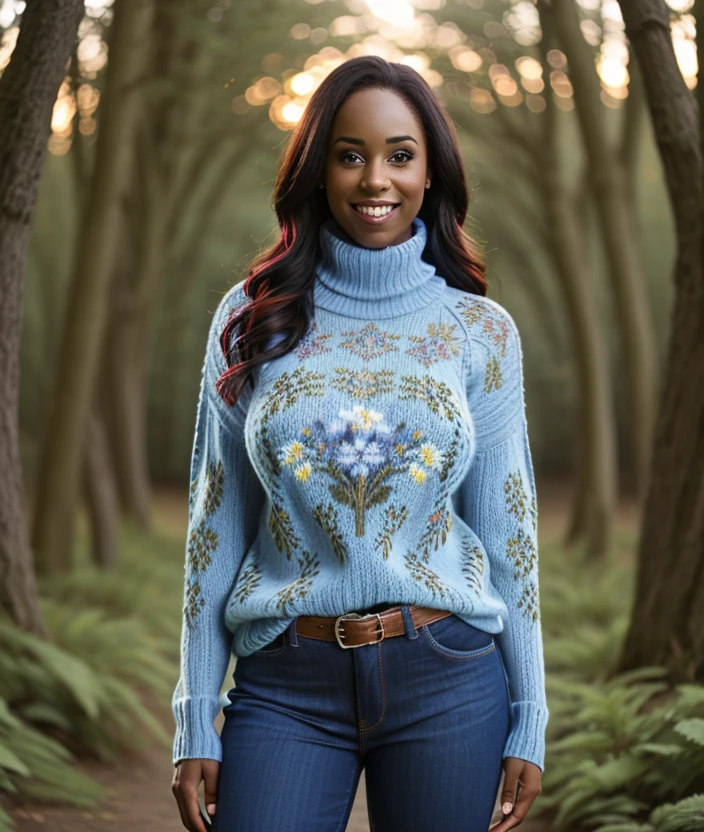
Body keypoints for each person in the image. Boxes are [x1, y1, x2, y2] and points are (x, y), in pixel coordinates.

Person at [171, 55, 548, 832]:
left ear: (431, 172)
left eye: (400, 155)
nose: (376, 178)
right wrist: (193, 712)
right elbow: (214, 530)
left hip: (450, 677)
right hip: (286, 683)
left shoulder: (480, 333)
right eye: (350, 154)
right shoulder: (250, 321)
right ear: (318, 169)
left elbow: (513, 537)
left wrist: (530, 717)